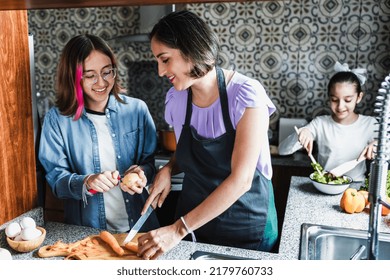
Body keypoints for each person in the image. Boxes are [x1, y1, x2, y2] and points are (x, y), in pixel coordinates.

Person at [136, 10, 279, 260]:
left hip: (245, 230)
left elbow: (242, 180)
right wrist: (169, 168)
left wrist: (177, 229)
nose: (160, 71)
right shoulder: (177, 98)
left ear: (191, 50)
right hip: (195, 227)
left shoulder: (246, 95)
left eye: (165, 59)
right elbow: (187, 153)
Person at [38, 34, 159, 233]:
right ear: (74, 77)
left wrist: (141, 173)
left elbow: (149, 163)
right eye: (90, 75)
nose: (101, 82)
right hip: (87, 233)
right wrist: (87, 181)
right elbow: (57, 180)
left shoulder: (137, 110)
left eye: (106, 72)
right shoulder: (57, 120)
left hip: (140, 228)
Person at [278, 61, 377, 182]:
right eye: (335, 100)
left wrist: (380, 145)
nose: (340, 106)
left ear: (359, 97)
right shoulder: (320, 123)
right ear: (329, 98)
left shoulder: (370, 124)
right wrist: (302, 134)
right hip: (325, 186)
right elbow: (282, 150)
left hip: (356, 188)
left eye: (348, 100)